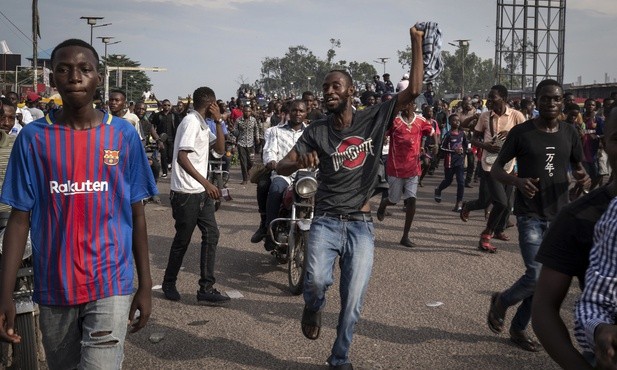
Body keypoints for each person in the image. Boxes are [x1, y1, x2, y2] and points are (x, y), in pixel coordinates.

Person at [0, 38, 157, 369]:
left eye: (84, 69)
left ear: (98, 78)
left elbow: (137, 215)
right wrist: (4, 293)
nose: (75, 77)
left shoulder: (123, 136)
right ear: (53, 78)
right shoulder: (33, 139)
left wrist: (144, 284)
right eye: (64, 69)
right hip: (54, 284)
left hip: (110, 281)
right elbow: (19, 219)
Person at [276, 25, 425, 369]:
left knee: (353, 302)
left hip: (361, 223)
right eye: (325, 86)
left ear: (350, 91)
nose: (328, 91)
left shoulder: (374, 118)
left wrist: (415, 42)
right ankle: (312, 307)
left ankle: (339, 359)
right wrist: (299, 160)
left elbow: (414, 90)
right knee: (314, 283)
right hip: (326, 220)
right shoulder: (316, 130)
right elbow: (285, 163)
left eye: (335, 86)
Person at [487, 79, 590, 352]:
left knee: (546, 282)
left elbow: (579, 169)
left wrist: (582, 179)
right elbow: (497, 170)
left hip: (559, 218)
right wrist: (518, 182)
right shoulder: (521, 133)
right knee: (535, 275)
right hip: (529, 215)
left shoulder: (570, 132)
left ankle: (518, 329)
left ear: (562, 101)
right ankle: (502, 301)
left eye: (556, 99)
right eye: (546, 99)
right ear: (537, 100)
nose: (551, 104)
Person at [532, 103, 617, 369]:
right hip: (537, 207)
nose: (552, 105)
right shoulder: (580, 218)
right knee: (528, 276)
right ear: (604, 144)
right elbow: (544, 308)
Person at [161, 86, 230, 304]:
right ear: (211, 104)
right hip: (186, 193)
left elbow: (219, 149)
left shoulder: (203, 123)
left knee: (212, 234)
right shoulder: (190, 122)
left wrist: (218, 122)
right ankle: (168, 283)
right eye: (216, 106)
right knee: (182, 240)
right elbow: (182, 156)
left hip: (200, 192)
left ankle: (206, 288)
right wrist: (207, 182)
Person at [467, 85, 525, 253]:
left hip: (509, 165)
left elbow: (527, 137)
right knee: (501, 202)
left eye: (493, 98)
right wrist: (486, 145)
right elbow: (474, 139)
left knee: (504, 205)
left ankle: (497, 229)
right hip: (489, 164)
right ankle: (485, 236)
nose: (489, 101)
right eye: (489, 98)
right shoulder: (485, 117)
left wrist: (512, 137)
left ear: (504, 99)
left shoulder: (517, 116)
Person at [376, 100, 434, 247]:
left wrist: (429, 145)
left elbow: (431, 131)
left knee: (411, 200)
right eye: (403, 104)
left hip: (413, 168)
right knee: (394, 200)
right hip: (395, 168)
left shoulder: (420, 121)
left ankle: (405, 236)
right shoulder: (395, 121)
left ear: (413, 105)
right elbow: (383, 132)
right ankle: (384, 203)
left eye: (410, 103)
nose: (407, 106)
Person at [260, 99, 308, 252]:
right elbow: (269, 150)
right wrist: (272, 161)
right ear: (289, 112)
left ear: (306, 113)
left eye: (301, 111)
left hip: (306, 177)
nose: (298, 113)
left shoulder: (312, 132)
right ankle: (270, 230)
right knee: (275, 189)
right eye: (294, 110)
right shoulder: (276, 131)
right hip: (283, 175)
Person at [434, 114, 468, 212]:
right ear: (449, 123)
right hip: (449, 161)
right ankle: (439, 189)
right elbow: (442, 148)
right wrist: (453, 151)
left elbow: (466, 143)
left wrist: (467, 149)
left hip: (460, 161)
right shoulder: (448, 135)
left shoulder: (462, 133)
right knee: (448, 181)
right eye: (454, 121)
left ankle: (459, 203)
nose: (457, 122)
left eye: (458, 120)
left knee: (461, 182)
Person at [149, 99, 180, 178]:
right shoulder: (158, 115)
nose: (166, 106)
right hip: (161, 139)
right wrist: (156, 138)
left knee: (171, 155)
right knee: (163, 155)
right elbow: (152, 126)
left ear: (170, 106)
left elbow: (178, 126)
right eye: (165, 105)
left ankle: (169, 163)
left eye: (168, 105)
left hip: (172, 138)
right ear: (162, 106)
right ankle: (164, 172)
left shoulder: (174, 115)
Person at [233, 105, 259, 184]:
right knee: (243, 162)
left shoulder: (253, 120)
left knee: (251, 161)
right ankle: (245, 179)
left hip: (251, 143)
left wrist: (257, 138)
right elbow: (235, 131)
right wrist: (234, 143)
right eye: (246, 111)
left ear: (251, 112)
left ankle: (247, 169)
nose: (247, 113)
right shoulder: (238, 120)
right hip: (241, 143)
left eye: (249, 111)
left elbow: (256, 129)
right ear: (243, 112)